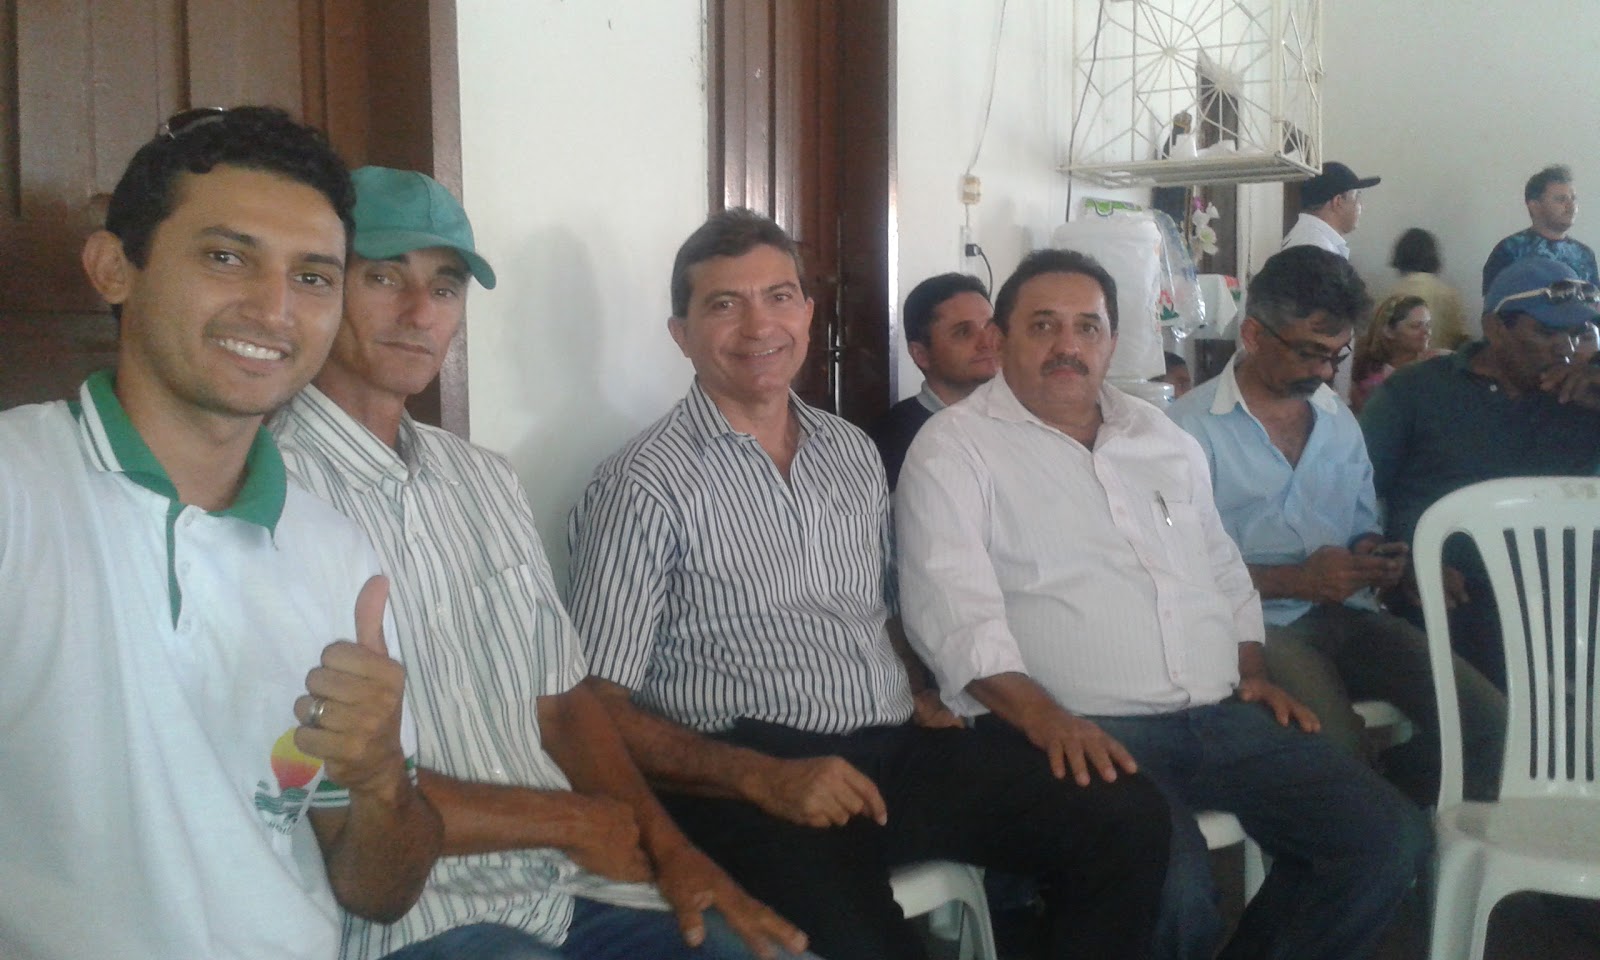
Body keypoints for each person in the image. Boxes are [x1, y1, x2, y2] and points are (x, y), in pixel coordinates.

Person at [566, 208, 1172, 960]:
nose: (759, 325)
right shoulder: (641, 485)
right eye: (724, 304)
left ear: (807, 313)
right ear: (681, 333)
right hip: (749, 773)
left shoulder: (850, 451)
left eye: (779, 296)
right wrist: (758, 776)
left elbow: (883, 607)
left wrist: (924, 687)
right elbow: (596, 708)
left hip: (891, 750)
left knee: (1123, 814)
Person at [271, 169, 809, 960]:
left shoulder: (482, 478)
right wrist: (567, 820)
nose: (420, 313)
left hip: (574, 888)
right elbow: (320, 776)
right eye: (384, 277)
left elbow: (563, 704)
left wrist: (675, 853)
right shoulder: (269, 492)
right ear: (320, 288)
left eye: (445, 287)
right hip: (420, 915)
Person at [896, 246, 1431, 960]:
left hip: (1215, 713)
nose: (1067, 345)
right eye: (1044, 325)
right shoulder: (954, 450)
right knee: (1172, 888)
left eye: (1087, 327)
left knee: (1384, 839)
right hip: (1072, 725)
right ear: (1002, 337)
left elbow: (1221, 567)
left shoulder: (1159, 436)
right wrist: (1049, 719)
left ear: (1112, 340)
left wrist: (1252, 670)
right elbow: (952, 615)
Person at [0, 107, 440, 960]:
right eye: (227, 257)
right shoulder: (16, 491)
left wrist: (382, 778)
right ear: (114, 268)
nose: (274, 309)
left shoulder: (337, 553)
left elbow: (380, 893)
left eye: (312, 276)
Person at [1169, 247, 1504, 806]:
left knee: (1492, 724)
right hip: (1254, 626)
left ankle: (1399, 814)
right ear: (1253, 334)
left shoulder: (1335, 418)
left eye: (1336, 354)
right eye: (1310, 352)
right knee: (1339, 751)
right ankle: (1376, 819)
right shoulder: (1185, 432)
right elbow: (1175, 574)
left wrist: (1378, 559)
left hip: (1348, 613)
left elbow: (1359, 526)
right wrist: (1297, 581)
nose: (1326, 371)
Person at [1363, 256, 1600, 690]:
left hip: (1569, 610)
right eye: (1546, 333)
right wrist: (1405, 560)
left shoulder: (1583, 402)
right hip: (1452, 602)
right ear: (1494, 328)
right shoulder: (1417, 393)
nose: (1564, 349)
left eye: (1576, 333)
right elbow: (1352, 499)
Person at [867, 272, 998, 488]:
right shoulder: (889, 441)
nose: (987, 342)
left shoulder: (1020, 420)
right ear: (921, 355)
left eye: (991, 328)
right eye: (964, 332)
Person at [1481, 165, 1598, 295]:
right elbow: (1493, 304)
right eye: (1561, 199)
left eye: (1573, 199)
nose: (1571, 207)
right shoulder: (1509, 250)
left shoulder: (1584, 254)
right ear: (1535, 206)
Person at [1349, 293, 1451, 414]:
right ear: (1389, 331)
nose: (1426, 332)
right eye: (1415, 326)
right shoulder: (1371, 379)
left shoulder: (1436, 362)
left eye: (1428, 325)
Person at [1387, 227, 1470, 349]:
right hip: (1441, 359)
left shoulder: (1389, 294)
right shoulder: (1448, 294)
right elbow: (1461, 340)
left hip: (1401, 361)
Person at [1281, 160, 1380, 259]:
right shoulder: (1318, 250)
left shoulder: (1309, 239)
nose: (1362, 206)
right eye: (1357, 197)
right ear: (1338, 201)